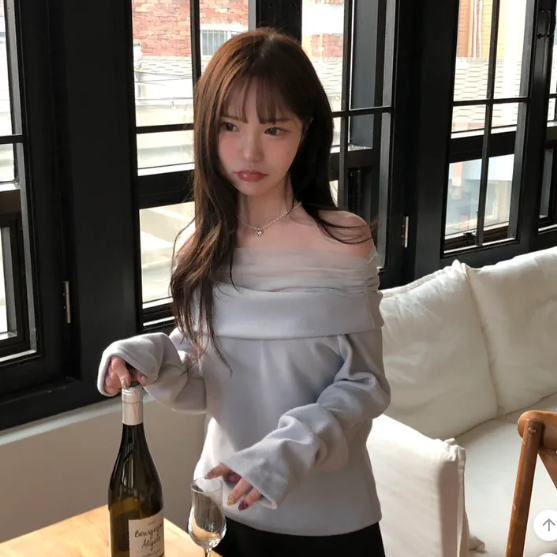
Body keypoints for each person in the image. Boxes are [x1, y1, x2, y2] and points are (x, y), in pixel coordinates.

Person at [97, 27, 391, 557]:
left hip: (330, 518)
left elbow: (366, 385)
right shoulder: (199, 246)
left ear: (306, 131)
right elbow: (201, 383)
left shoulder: (344, 241)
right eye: (229, 126)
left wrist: (287, 451)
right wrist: (151, 356)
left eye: (273, 128)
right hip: (226, 504)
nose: (249, 150)